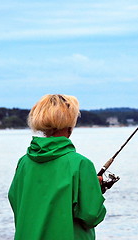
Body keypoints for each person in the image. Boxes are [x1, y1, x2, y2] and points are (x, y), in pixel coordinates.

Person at [8, 94, 106, 240]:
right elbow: (91, 216)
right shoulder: (80, 164)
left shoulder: (23, 163)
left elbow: (17, 203)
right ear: (70, 123)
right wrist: (95, 190)